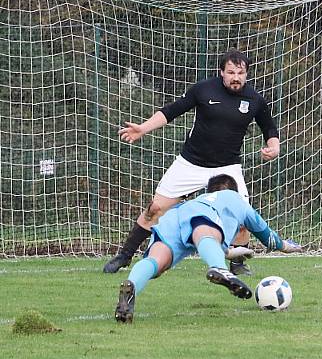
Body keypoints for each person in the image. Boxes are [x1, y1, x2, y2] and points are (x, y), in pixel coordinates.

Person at [104, 49, 280, 276]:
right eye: (230, 72)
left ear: (246, 74)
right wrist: (143, 129)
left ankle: (238, 263)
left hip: (227, 168)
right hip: (190, 164)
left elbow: (269, 128)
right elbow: (171, 111)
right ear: (221, 72)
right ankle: (125, 256)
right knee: (154, 209)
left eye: (240, 73)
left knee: (242, 214)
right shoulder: (203, 89)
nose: (236, 77)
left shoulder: (255, 100)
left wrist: (274, 147)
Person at [114, 174, 301, 323]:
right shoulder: (236, 200)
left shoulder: (201, 199)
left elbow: (213, 243)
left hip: (174, 216)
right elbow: (266, 234)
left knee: (156, 262)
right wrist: (285, 246)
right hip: (202, 217)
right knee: (204, 233)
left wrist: (230, 252)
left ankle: (131, 288)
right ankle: (219, 268)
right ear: (233, 190)